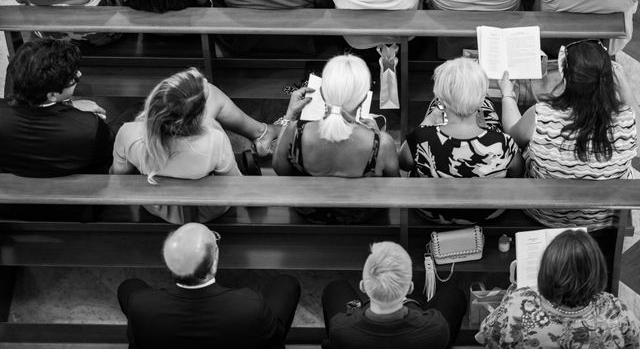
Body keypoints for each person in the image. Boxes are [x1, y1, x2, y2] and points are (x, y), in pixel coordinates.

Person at [499, 40, 638, 229]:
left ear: (565, 78)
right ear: (609, 78)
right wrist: (625, 87)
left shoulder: (541, 114)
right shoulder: (626, 118)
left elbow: (513, 135)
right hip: (602, 216)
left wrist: (507, 95)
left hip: (545, 214)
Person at [110, 68, 278, 224]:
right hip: (207, 209)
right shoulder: (214, 140)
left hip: (158, 207)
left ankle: (262, 132)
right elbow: (233, 184)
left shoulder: (129, 134)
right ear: (199, 117)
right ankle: (262, 133)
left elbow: (119, 176)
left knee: (208, 92)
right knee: (211, 92)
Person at [118, 223, 301, 349]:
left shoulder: (141, 304)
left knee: (130, 286)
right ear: (214, 263)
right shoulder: (250, 305)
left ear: (169, 263)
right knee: (285, 284)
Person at [272, 55, 399, 223]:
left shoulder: (294, 131)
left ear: (323, 93)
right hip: (363, 218)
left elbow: (280, 169)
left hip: (309, 214)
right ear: (363, 98)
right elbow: (395, 187)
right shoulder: (381, 143)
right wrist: (374, 133)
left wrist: (289, 116)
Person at [399, 58, 523, 223]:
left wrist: (427, 122)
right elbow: (517, 172)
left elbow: (403, 163)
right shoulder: (502, 142)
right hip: (489, 212)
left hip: (432, 212)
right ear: (481, 101)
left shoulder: (421, 138)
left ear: (440, 99)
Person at [476, 230, 640, 348]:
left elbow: (485, 335)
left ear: (545, 273)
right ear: (598, 272)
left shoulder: (517, 304)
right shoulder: (617, 312)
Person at [0, 38, 112, 177]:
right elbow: (104, 164)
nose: (79, 74)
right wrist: (74, 113)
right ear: (52, 95)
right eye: (72, 77)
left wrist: (70, 106)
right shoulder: (91, 127)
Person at [322, 241, 466, 349]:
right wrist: (410, 303)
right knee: (453, 294)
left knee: (336, 287)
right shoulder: (437, 327)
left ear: (363, 286)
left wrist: (358, 310)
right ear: (410, 288)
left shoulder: (340, 327)